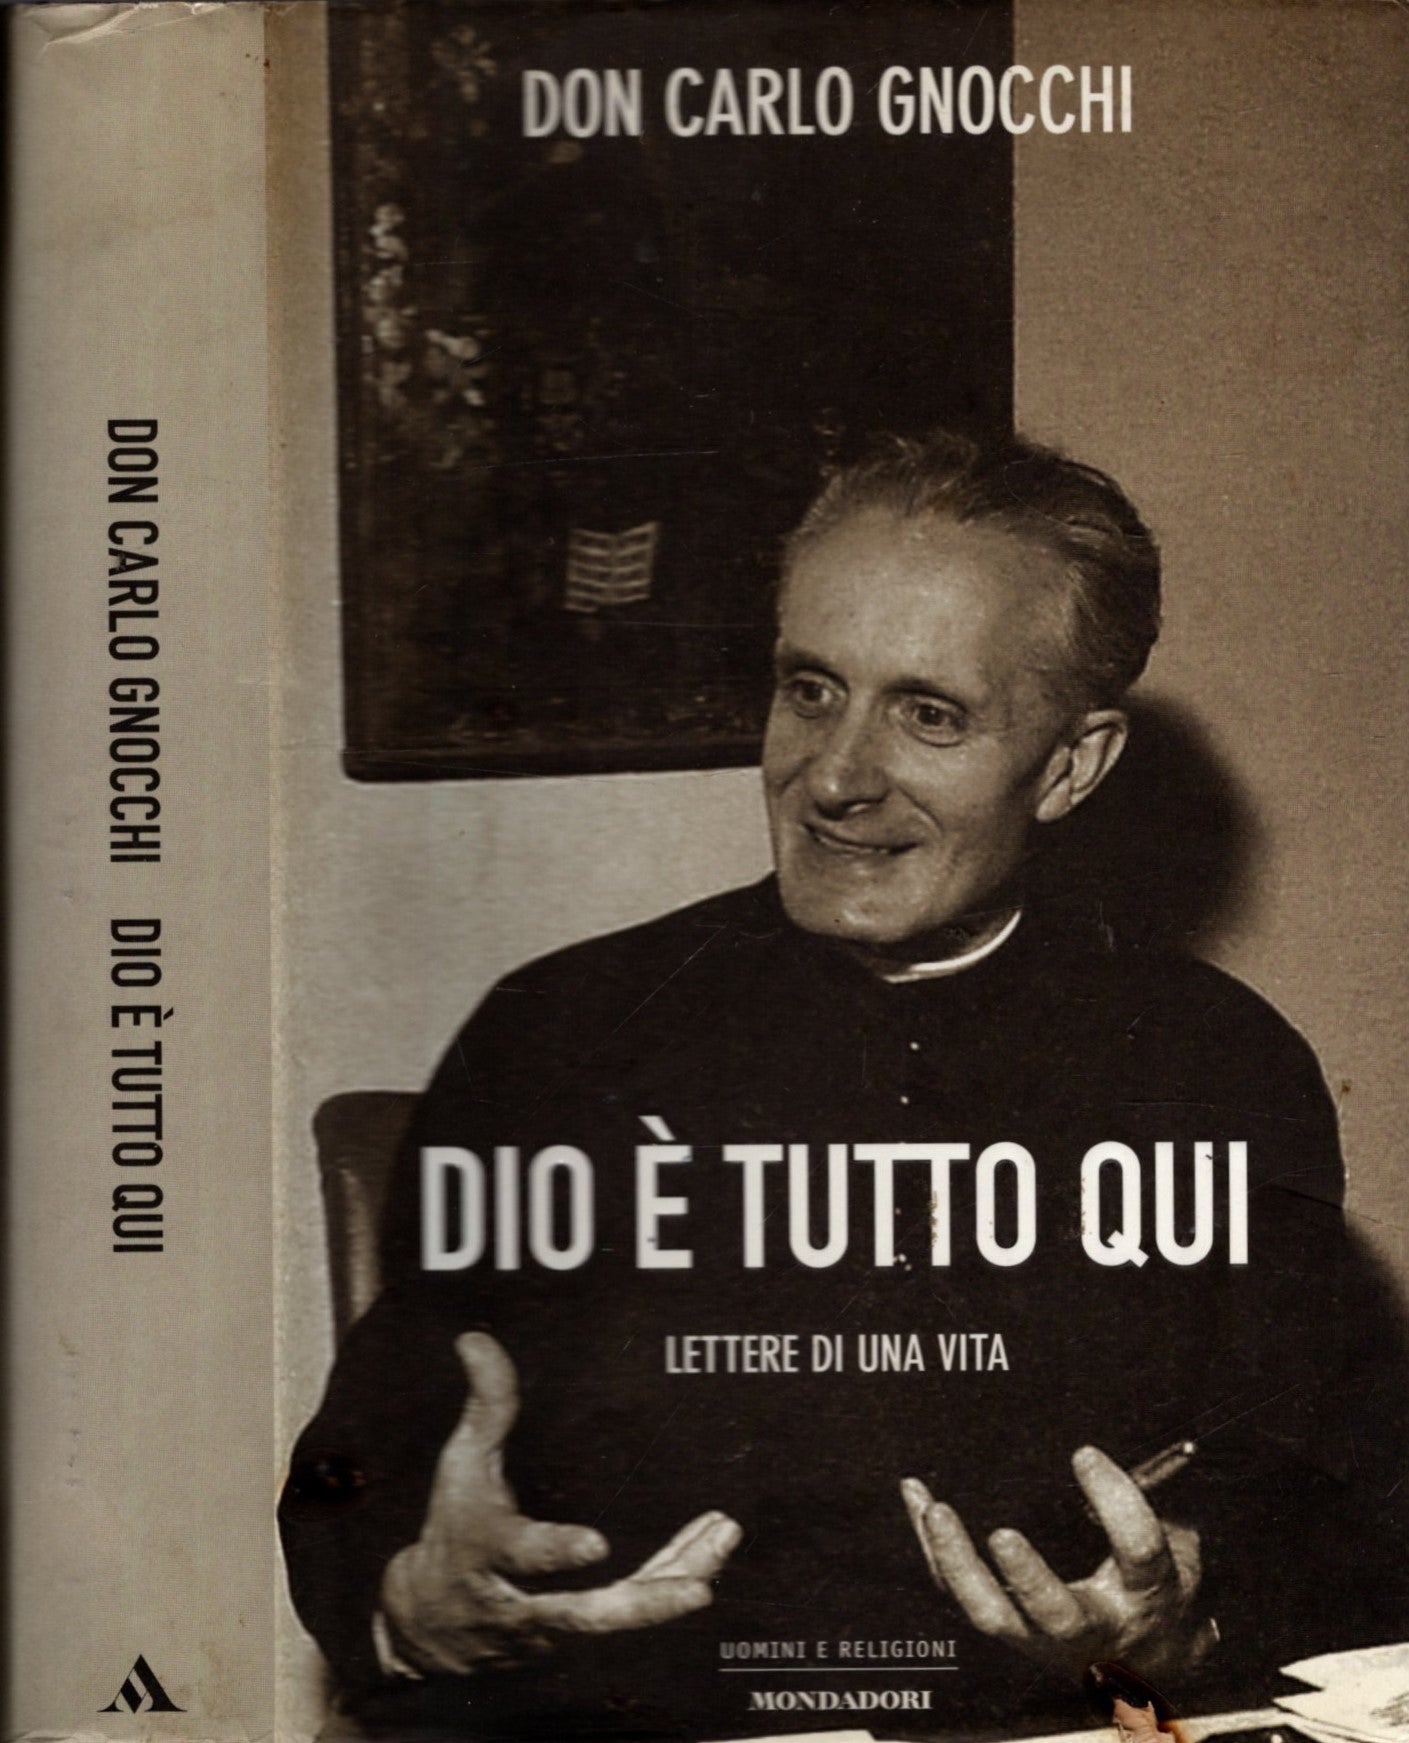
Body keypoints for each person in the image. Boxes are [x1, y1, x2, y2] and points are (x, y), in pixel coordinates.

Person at [281, 431, 1405, 1740]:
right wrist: (411, 1598)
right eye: (810, 689)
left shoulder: (1220, 1068)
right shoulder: (555, 1033)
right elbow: (352, 1473)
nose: (834, 777)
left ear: (1069, 767)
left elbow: (1320, 1497)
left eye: (929, 714)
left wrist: (1178, 1616)